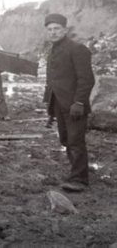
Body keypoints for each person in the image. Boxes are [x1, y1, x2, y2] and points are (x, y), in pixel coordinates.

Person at [43, 13, 95, 192]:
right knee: (66, 140)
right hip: (58, 103)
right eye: (49, 29)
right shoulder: (52, 51)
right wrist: (50, 108)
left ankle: (80, 180)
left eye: (57, 29)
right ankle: (77, 171)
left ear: (65, 30)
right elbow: (52, 80)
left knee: (75, 141)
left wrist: (79, 102)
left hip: (74, 105)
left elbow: (86, 79)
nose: (53, 32)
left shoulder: (77, 49)